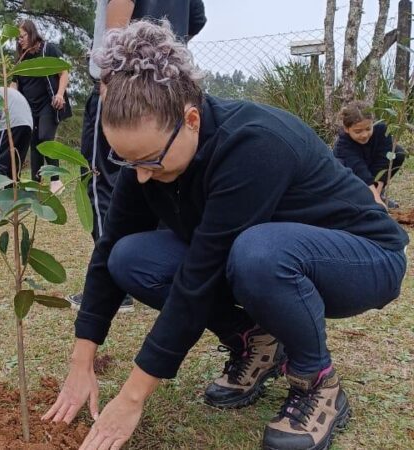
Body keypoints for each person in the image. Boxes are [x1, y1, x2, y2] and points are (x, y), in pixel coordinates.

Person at [43, 21, 408, 450]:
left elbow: (200, 276)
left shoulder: (252, 146)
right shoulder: (145, 158)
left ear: (191, 119)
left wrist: (131, 397)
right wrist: (82, 357)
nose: (141, 176)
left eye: (150, 161)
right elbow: (108, 254)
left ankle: (318, 382)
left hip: (363, 257)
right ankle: (255, 342)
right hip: (268, 258)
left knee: (258, 254)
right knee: (129, 257)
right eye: (127, 162)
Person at [67, 0, 208, 313]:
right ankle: (163, 272)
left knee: (100, 180)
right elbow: (197, 17)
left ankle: (115, 286)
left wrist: (112, 77)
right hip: (168, 85)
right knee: (161, 178)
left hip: (122, 90)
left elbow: (116, 28)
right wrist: (164, 52)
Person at [12, 19, 72, 193]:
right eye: (17, 38)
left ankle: (55, 180)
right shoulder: (21, 59)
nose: (19, 40)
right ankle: (36, 183)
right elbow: (14, 83)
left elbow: (64, 71)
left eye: (22, 36)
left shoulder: (48, 49)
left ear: (31, 33)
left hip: (48, 102)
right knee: (34, 142)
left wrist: (60, 94)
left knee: (45, 136)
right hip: (28, 108)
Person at [333, 100, 407, 209]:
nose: (364, 135)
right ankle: (356, 199)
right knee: (339, 164)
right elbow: (359, 169)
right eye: (358, 131)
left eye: (368, 129)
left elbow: (383, 161)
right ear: (346, 129)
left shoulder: (381, 130)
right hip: (353, 175)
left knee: (398, 152)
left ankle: (377, 195)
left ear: (373, 122)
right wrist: (375, 201)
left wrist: (376, 196)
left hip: (370, 165)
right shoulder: (343, 144)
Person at [0, 80, 33, 180]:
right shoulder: (4, 92)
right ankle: (12, 194)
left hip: (12, 122)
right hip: (28, 124)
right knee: (14, 166)